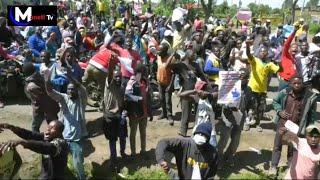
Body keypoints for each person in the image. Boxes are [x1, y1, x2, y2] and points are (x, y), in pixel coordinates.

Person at [44, 65, 88, 180]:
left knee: (78, 163)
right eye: (68, 89)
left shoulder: (82, 99)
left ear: (77, 91)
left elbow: (81, 88)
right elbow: (49, 91)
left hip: (76, 139)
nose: (70, 91)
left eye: (72, 89)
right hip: (62, 138)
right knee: (58, 163)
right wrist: (47, 78)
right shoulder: (63, 98)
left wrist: (70, 76)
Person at [0, 120, 68, 179]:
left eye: (52, 128)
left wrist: (23, 142)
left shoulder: (61, 143)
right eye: (48, 127)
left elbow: (45, 147)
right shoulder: (48, 136)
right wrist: (12, 127)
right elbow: (31, 135)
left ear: (60, 132)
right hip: (45, 176)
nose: (48, 130)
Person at [244, 39, 281, 132]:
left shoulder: (270, 64)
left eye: (265, 52)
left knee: (260, 108)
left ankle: (257, 124)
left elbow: (279, 70)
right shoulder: (255, 61)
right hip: (252, 88)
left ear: (267, 53)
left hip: (263, 90)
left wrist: (280, 62)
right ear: (259, 53)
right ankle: (247, 123)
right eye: (261, 51)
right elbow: (248, 54)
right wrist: (248, 45)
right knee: (250, 107)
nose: (263, 53)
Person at [102, 53, 127, 171]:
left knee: (122, 137)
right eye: (116, 76)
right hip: (109, 117)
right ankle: (113, 161)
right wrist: (111, 64)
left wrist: (122, 111)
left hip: (119, 117)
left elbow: (122, 103)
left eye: (120, 77)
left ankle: (122, 153)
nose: (118, 78)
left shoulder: (121, 88)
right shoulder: (109, 85)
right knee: (112, 141)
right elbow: (109, 75)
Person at [23, 62, 60, 132]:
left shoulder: (31, 86)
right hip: (51, 104)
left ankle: (37, 139)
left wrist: (38, 111)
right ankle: (55, 137)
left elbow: (39, 101)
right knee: (54, 125)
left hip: (43, 107)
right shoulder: (40, 76)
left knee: (35, 127)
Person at [125, 64, 152, 156]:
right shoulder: (132, 82)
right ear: (140, 73)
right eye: (145, 72)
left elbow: (148, 97)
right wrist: (137, 98)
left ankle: (143, 151)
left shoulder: (144, 82)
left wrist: (150, 111)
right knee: (133, 134)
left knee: (143, 133)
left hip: (144, 113)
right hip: (134, 113)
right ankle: (133, 153)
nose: (147, 74)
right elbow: (127, 95)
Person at [157, 43, 174, 125]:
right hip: (160, 82)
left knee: (168, 100)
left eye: (160, 50)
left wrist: (171, 85)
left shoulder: (171, 59)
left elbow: (174, 73)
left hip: (168, 82)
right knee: (161, 98)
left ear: (165, 51)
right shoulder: (158, 57)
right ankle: (163, 113)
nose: (158, 52)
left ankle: (169, 115)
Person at [278, 25, 299, 91]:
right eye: (293, 47)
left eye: (296, 48)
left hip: (293, 83)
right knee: (281, 99)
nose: (295, 49)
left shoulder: (296, 59)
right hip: (285, 82)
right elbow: (287, 44)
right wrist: (294, 32)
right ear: (289, 49)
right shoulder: (285, 55)